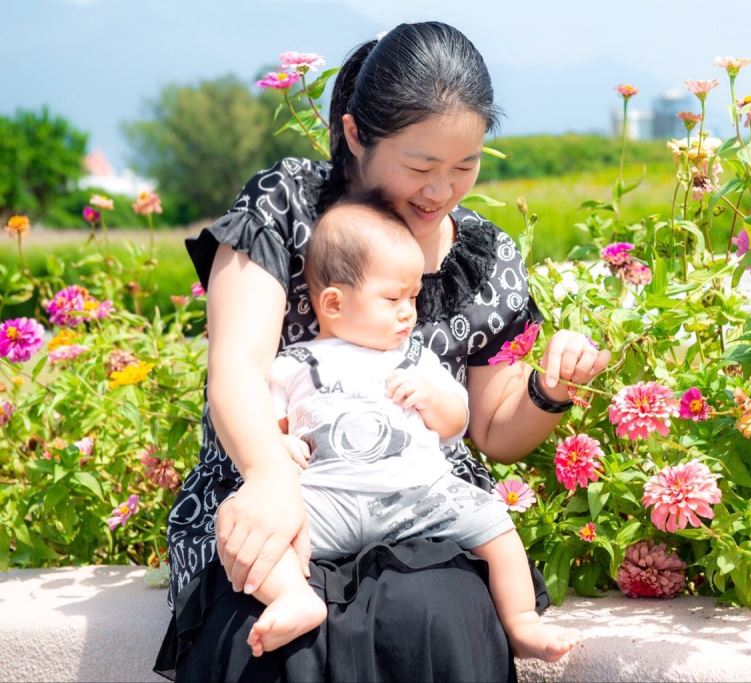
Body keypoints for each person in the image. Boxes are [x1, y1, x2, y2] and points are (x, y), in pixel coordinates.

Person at [155, 20, 609, 683]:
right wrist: (272, 477)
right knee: (279, 648)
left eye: (465, 166)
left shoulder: (487, 255)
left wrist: (548, 388)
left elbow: (492, 428)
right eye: (421, 166)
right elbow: (238, 369)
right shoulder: (286, 205)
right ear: (354, 135)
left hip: (420, 511)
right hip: (280, 498)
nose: (442, 191)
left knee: (437, 623)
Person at [247, 195, 581, 662]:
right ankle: (291, 597)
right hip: (328, 496)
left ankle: (522, 621)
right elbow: (266, 423)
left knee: (494, 524)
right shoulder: (296, 363)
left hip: (416, 495)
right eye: (393, 298)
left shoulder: (415, 358)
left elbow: (457, 422)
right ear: (333, 303)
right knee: (250, 530)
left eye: (412, 297)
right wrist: (280, 443)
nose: (409, 312)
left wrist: (432, 398)